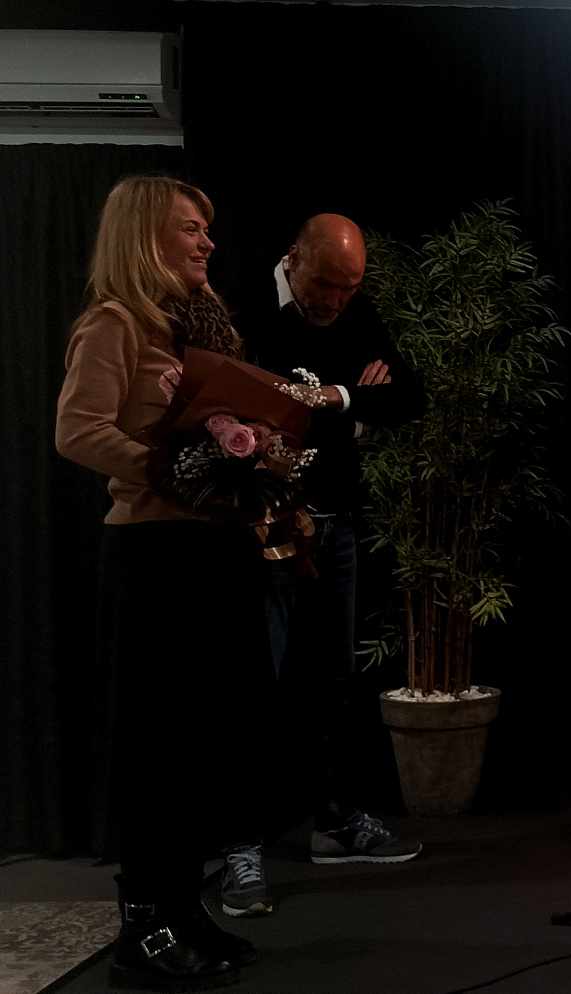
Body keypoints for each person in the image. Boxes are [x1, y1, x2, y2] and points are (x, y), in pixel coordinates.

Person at [56, 176, 263, 990]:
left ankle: (183, 908)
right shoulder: (113, 323)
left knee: (197, 746)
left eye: (207, 229)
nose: (208, 242)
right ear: (145, 235)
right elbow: (78, 430)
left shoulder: (199, 327)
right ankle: (143, 928)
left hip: (211, 550)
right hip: (152, 553)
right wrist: (172, 470)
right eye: (189, 229)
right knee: (153, 748)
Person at [226, 214, 425, 918]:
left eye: (350, 288)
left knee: (331, 681)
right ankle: (239, 844)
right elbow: (228, 406)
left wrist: (336, 397)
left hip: (336, 521)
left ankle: (332, 820)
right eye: (326, 285)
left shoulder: (355, 311)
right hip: (259, 529)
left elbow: (408, 396)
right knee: (255, 684)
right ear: (293, 259)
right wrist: (347, 401)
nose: (336, 301)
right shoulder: (242, 304)